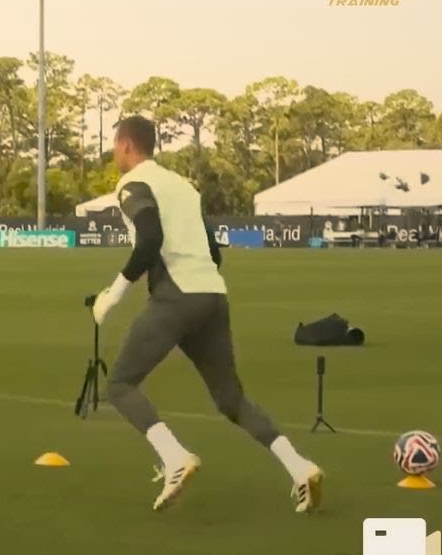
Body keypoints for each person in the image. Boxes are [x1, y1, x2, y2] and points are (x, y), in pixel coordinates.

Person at [91, 116, 323, 512]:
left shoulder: (133, 184)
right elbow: (214, 252)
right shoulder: (181, 185)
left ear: (127, 145)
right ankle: (300, 467)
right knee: (231, 398)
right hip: (212, 295)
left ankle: (175, 458)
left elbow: (150, 239)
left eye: (115, 145)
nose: (114, 152)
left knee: (121, 385)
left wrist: (113, 294)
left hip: (177, 296)